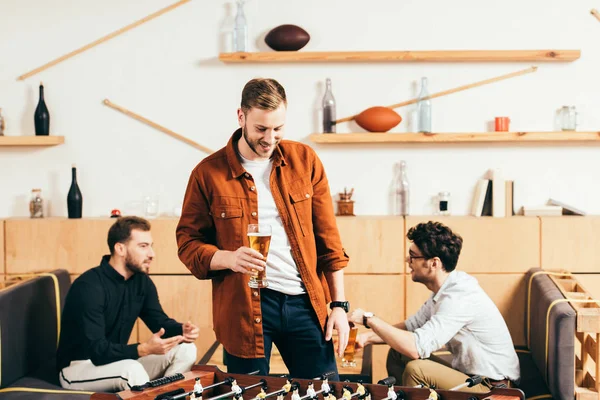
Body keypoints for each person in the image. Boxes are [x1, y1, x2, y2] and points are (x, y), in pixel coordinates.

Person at [176, 78, 350, 379]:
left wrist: (339, 306)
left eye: (278, 129)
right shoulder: (207, 174)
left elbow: (329, 241)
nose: (270, 138)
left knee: (325, 392)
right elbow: (188, 243)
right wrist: (227, 258)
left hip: (305, 302)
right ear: (241, 116)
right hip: (245, 308)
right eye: (261, 129)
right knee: (250, 394)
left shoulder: (305, 160)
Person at [348, 221, 520, 392]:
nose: (408, 260)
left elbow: (416, 348)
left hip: (493, 388)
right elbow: (411, 327)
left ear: (434, 263)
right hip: (471, 377)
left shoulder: (458, 297)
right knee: (398, 352)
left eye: (413, 256)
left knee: (416, 370)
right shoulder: (445, 289)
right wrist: (366, 338)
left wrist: (369, 319)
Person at [57, 216, 199, 392]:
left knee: (186, 350)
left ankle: (167, 396)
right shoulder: (89, 286)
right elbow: (97, 350)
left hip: (116, 362)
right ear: (120, 249)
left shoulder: (141, 282)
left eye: (151, 245)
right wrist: (143, 349)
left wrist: (181, 330)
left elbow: (158, 321)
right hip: (78, 368)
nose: (152, 254)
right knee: (131, 370)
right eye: (143, 246)